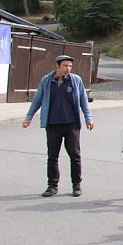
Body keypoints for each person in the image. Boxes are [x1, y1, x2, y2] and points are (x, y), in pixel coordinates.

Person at [22, 54, 94, 197]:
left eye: (70, 66)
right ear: (57, 66)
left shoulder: (76, 80)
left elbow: (83, 100)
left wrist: (88, 118)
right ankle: (52, 186)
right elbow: (38, 99)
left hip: (71, 124)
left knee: (75, 155)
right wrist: (28, 117)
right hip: (53, 124)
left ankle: (76, 185)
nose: (68, 68)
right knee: (52, 156)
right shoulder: (47, 81)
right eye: (65, 65)